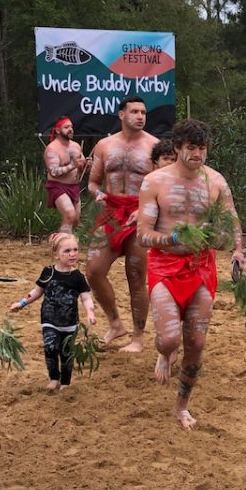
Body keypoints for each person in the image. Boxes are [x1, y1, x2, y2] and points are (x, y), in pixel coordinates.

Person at [136, 119, 245, 430]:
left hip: (201, 266)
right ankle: (164, 353)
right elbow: (143, 234)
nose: (198, 154)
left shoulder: (216, 182)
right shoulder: (155, 182)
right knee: (169, 339)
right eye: (191, 148)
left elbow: (231, 221)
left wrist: (236, 249)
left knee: (196, 341)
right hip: (165, 265)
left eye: (202, 148)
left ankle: (181, 405)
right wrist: (171, 239)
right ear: (177, 148)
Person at [86, 96, 158, 352]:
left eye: (143, 112)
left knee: (136, 275)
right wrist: (99, 194)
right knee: (93, 271)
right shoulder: (105, 145)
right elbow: (93, 182)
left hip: (141, 213)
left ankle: (138, 337)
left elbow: (161, 183)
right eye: (135, 112)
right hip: (111, 212)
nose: (140, 116)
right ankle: (115, 323)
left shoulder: (154, 146)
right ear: (121, 115)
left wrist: (148, 209)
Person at [9, 233, 97, 391]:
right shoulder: (48, 272)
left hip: (70, 323)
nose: (73, 254)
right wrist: (21, 303)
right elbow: (36, 292)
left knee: (66, 354)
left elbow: (86, 298)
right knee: (50, 347)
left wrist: (90, 313)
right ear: (56, 254)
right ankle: (54, 378)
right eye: (67, 250)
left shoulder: (77, 277)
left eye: (75, 249)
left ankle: (65, 382)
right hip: (49, 320)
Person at [42, 116, 87, 234]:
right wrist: (73, 165)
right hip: (58, 186)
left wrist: (87, 165)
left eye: (71, 127)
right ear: (57, 130)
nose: (70, 129)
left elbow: (81, 168)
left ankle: (63, 243)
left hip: (74, 186)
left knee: (75, 220)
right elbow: (54, 172)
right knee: (69, 215)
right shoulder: (52, 149)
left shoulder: (76, 146)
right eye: (66, 127)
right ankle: (62, 245)